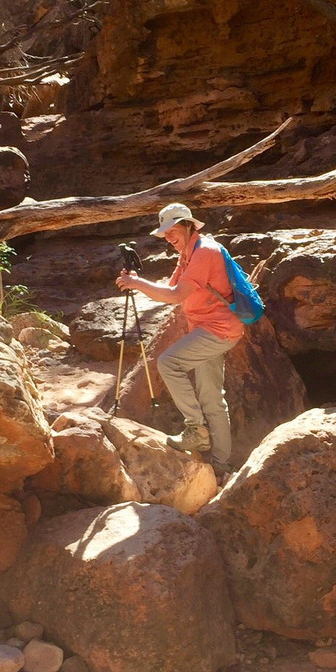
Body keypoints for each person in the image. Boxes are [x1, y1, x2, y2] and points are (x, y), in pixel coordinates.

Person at [116, 202, 243, 476]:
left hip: (217, 329)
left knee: (168, 363)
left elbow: (175, 296)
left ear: (187, 225)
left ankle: (196, 429)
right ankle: (221, 463)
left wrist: (137, 284)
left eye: (172, 231)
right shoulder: (188, 253)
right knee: (212, 398)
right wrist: (138, 280)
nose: (169, 238)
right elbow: (171, 288)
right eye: (165, 234)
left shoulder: (204, 252)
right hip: (210, 329)